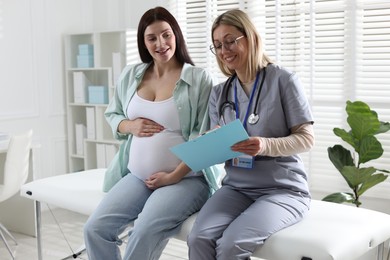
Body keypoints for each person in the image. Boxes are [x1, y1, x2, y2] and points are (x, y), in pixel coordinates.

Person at [83, 6, 222, 260]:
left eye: (166, 34)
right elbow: (113, 114)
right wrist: (130, 126)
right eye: (152, 38)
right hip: (137, 176)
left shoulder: (199, 79)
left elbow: (205, 139)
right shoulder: (131, 75)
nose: (161, 43)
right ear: (143, 42)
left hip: (186, 179)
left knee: (144, 230)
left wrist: (172, 176)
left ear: (176, 35)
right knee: (95, 229)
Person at [187, 9, 315, 260]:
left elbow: (306, 138)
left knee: (232, 245)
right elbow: (219, 137)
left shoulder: (283, 80)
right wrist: (207, 144)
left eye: (230, 41)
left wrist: (264, 145)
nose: (224, 51)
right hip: (237, 187)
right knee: (199, 238)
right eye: (217, 45)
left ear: (251, 38)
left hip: (282, 190)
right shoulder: (220, 93)